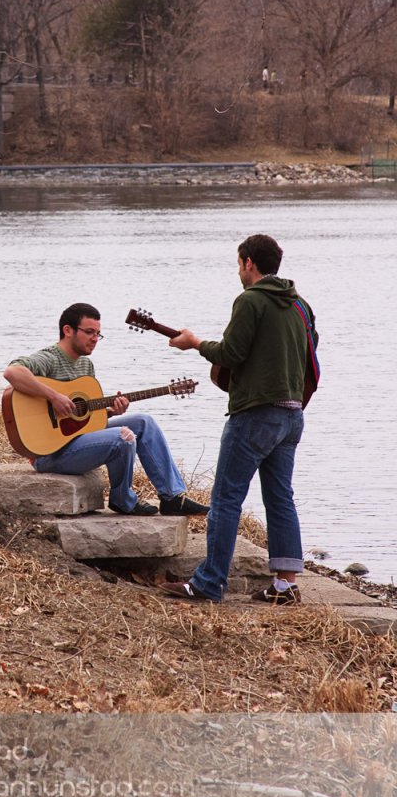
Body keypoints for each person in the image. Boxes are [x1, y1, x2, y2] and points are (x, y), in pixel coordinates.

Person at [162, 235, 318, 605]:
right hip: (292, 415)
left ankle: (209, 583)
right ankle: (285, 584)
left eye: (238, 263)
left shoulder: (250, 301)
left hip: (254, 413)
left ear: (249, 262)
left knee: (226, 498)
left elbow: (231, 353)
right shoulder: (300, 305)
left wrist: (195, 343)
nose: (238, 271)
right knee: (281, 498)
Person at [4, 302, 209, 517]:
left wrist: (110, 412)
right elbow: (12, 372)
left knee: (143, 422)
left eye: (98, 334)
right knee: (123, 437)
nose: (95, 339)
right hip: (48, 453)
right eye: (89, 332)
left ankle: (173, 498)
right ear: (68, 330)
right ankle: (122, 499)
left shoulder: (85, 366)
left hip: (75, 440)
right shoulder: (49, 358)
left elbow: (82, 419)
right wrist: (54, 397)